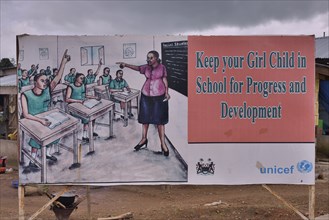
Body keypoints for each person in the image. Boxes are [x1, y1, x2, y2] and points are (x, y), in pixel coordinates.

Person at [20, 49, 71, 173]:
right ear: (35, 81)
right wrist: (40, 120)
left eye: (46, 81)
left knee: (55, 131)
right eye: (42, 80)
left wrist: (64, 62)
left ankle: (47, 153)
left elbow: (58, 77)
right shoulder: (25, 95)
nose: (45, 83)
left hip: (46, 118)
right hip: (32, 119)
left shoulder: (47, 90)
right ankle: (32, 161)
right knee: (37, 138)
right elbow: (26, 114)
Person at [116, 50, 170, 156]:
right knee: (145, 119)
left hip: (159, 96)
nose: (148, 60)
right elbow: (137, 68)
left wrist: (167, 93)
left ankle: (163, 144)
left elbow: (164, 79)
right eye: (147, 57)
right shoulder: (146, 67)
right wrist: (125, 65)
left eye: (151, 58)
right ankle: (144, 139)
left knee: (160, 121)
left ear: (156, 58)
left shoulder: (162, 67)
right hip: (146, 96)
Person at [65, 73, 100, 142]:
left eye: (83, 78)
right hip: (73, 107)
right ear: (76, 78)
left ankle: (90, 132)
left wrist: (94, 97)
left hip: (82, 105)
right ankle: (84, 136)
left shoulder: (83, 86)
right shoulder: (71, 86)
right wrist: (78, 101)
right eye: (81, 78)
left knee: (93, 115)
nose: (82, 79)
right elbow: (67, 99)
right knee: (86, 118)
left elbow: (85, 95)